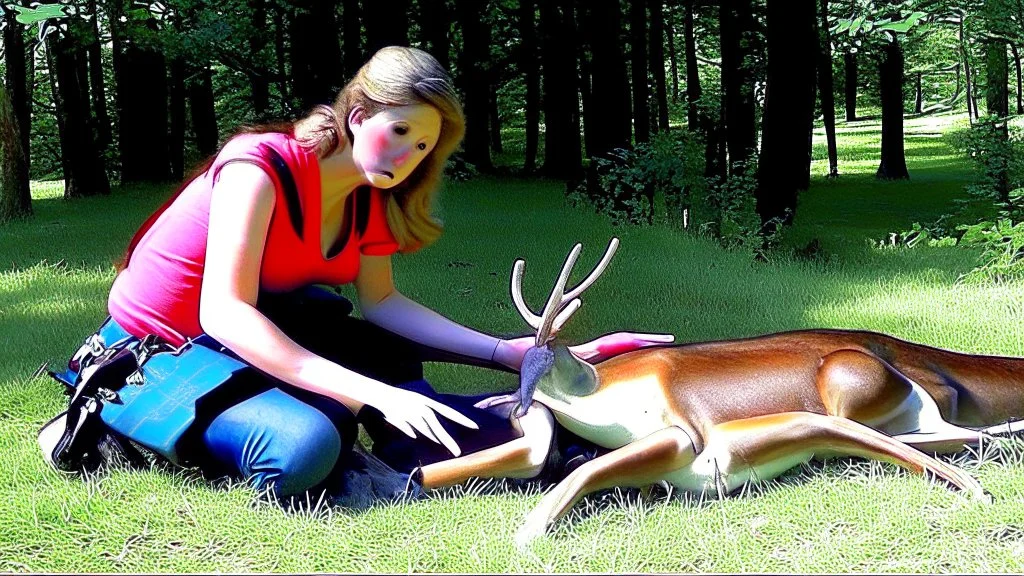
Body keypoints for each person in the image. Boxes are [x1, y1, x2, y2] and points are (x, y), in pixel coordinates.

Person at [83, 46, 670, 503]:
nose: (406, 156)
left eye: (421, 147)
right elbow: (224, 310)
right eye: (400, 132)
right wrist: (362, 393)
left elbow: (384, 303)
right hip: (158, 350)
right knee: (309, 444)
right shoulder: (256, 167)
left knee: (390, 360)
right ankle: (121, 424)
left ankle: (499, 436)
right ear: (359, 115)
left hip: (250, 334)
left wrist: (507, 353)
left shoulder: (369, 197)